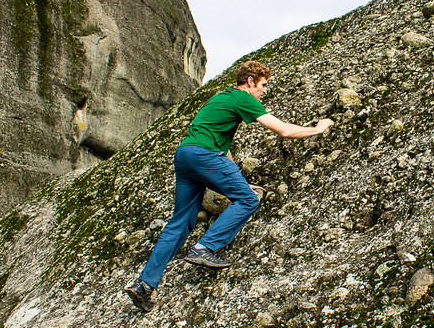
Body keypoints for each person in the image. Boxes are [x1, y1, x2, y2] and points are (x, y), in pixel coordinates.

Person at [125, 60, 334, 312]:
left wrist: (238, 182)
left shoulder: (220, 98)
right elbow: (284, 131)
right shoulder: (243, 98)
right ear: (249, 82)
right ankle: (205, 248)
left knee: (181, 222)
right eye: (263, 85)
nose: (264, 91)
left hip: (185, 156)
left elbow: (222, 153)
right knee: (248, 199)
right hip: (203, 156)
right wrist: (317, 129)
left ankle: (144, 286)